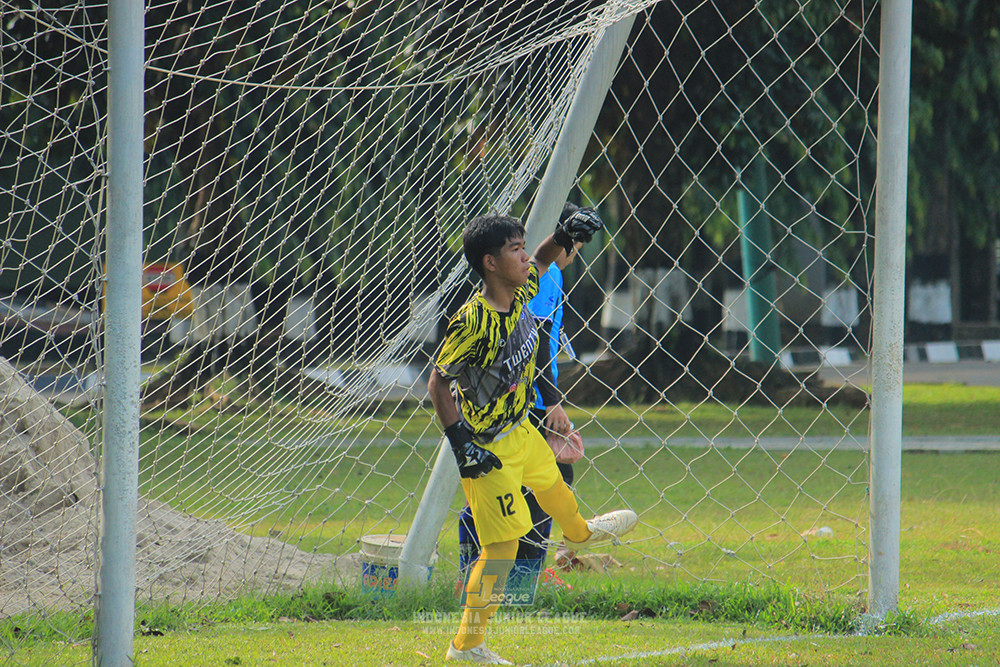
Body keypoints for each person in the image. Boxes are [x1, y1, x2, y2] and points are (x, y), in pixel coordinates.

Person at [429, 209, 637, 664]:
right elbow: (437, 383)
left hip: (523, 430)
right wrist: (461, 444)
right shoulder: (472, 322)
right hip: (488, 450)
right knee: (501, 550)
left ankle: (581, 535)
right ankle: (465, 647)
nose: (525, 257)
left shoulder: (521, 290)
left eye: (523, 247)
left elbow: (544, 260)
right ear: (489, 263)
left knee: (556, 488)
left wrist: (564, 236)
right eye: (514, 250)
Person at [456, 204, 584, 592]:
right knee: (529, 491)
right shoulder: (540, 280)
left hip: (527, 402)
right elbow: (540, 339)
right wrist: (553, 403)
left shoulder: (543, 272)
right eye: (573, 241)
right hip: (522, 406)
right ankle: (515, 584)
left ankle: (492, 576)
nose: (574, 250)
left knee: (530, 487)